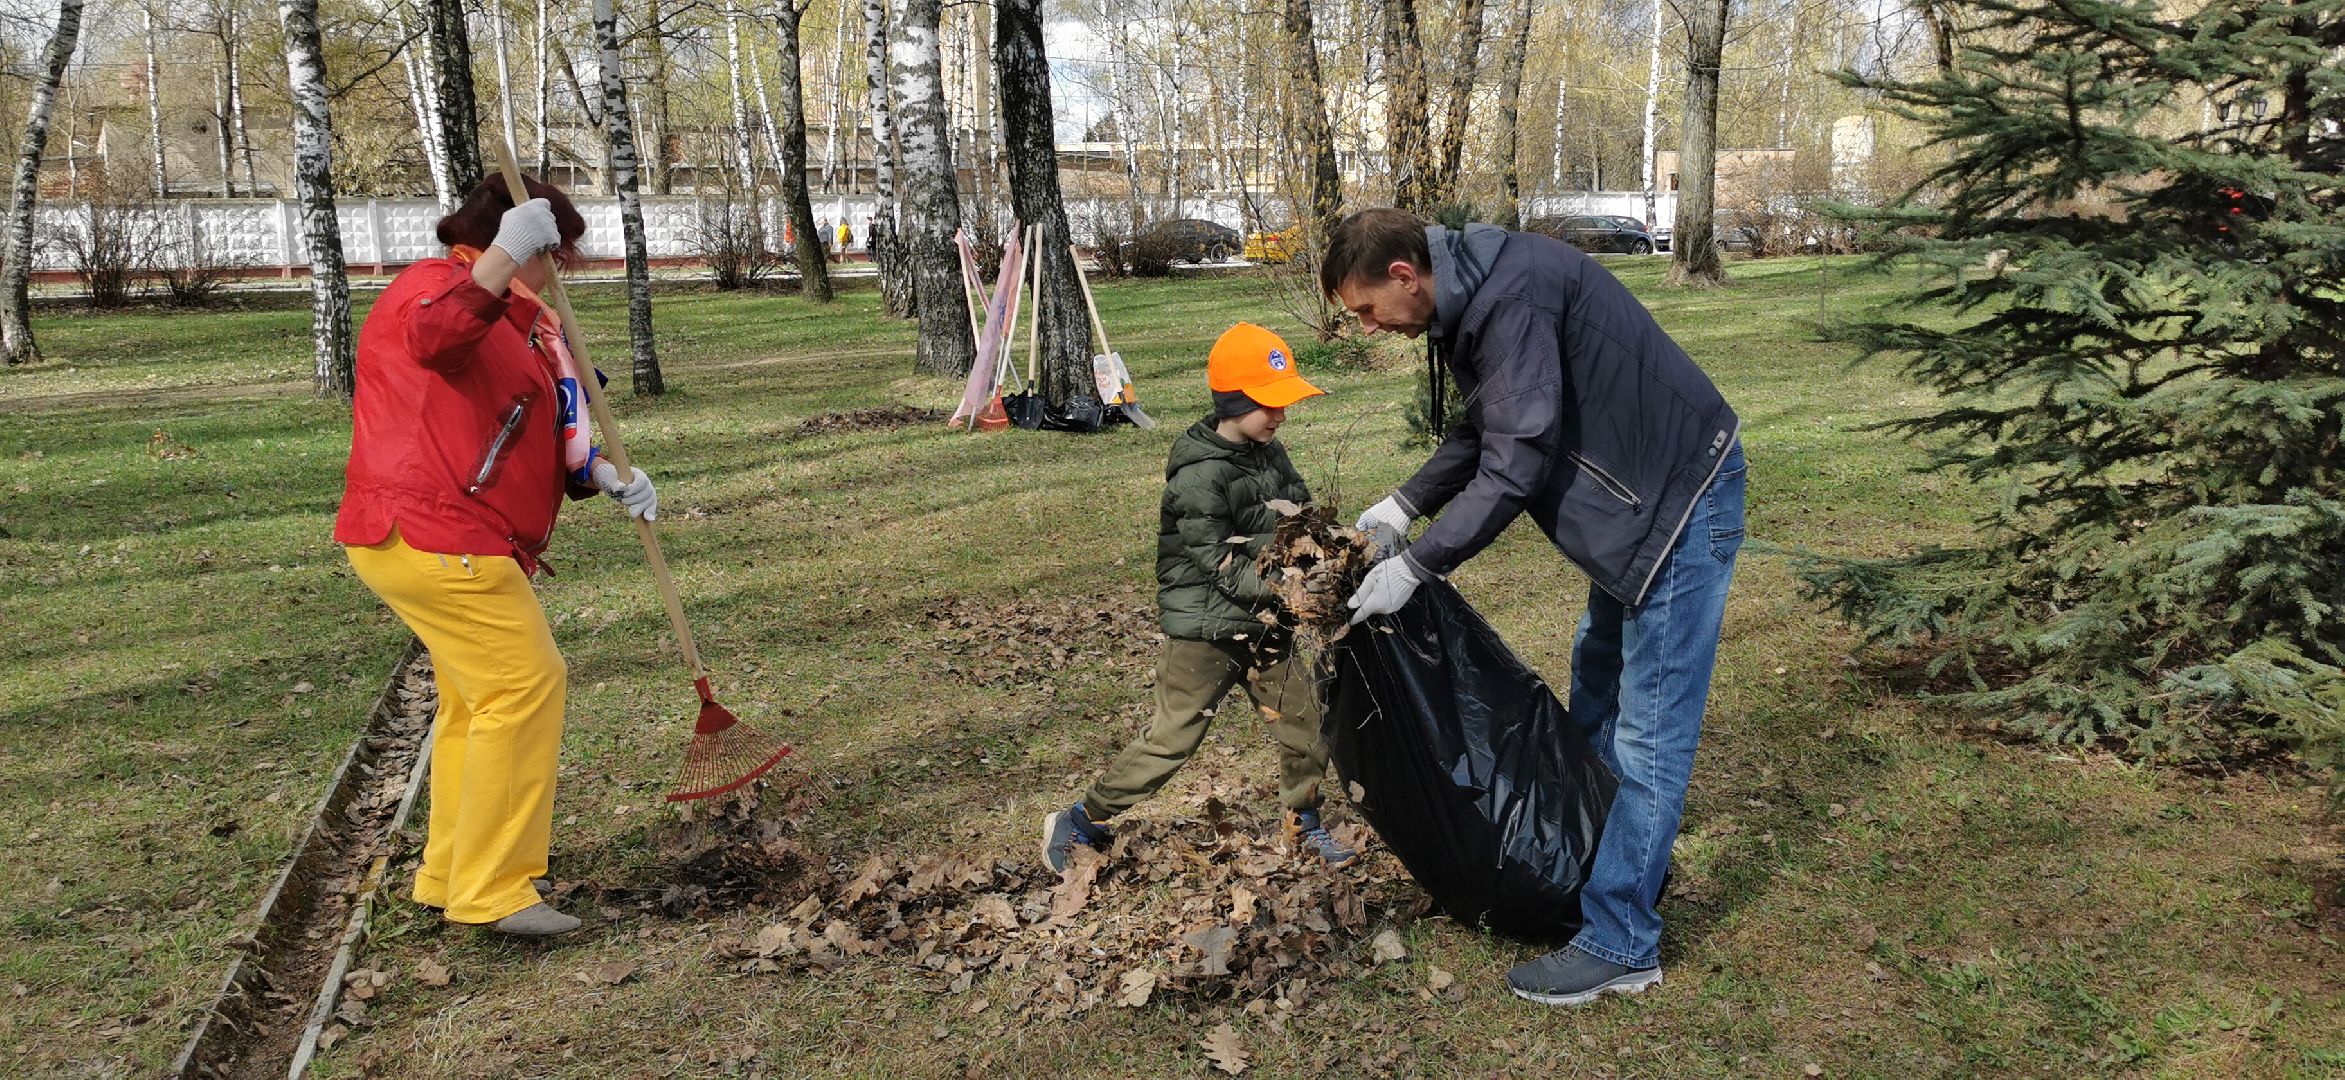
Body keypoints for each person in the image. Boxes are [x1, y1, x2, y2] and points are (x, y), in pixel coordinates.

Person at [1323, 208, 1745, 1006]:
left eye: (1367, 310)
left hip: (1678, 505)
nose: (1371, 327)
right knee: (1594, 689)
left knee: (1648, 733)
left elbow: (1515, 462)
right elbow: (1487, 424)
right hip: (1636, 512)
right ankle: (1581, 865)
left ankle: (1622, 939)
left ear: (1404, 276)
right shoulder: (1474, 298)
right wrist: (1400, 503)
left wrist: (1417, 564)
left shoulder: (1509, 295)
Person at [335, 175, 660, 937]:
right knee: (523, 685)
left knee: (477, 701)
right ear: (517, 241)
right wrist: (503, 259)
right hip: (434, 531)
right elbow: (437, 338)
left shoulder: (518, 322)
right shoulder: (434, 288)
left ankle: (449, 873)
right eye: (554, 252)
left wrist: (598, 474)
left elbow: (522, 422)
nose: (559, 270)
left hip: (445, 535)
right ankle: (494, 890)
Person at [1041, 323, 1357, 873]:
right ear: (1235, 403)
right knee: (1172, 739)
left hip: (1267, 624)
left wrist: (1326, 550)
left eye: (1285, 404)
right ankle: (1082, 819)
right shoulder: (1198, 476)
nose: (1281, 415)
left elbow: (1298, 512)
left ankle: (1303, 823)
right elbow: (1220, 564)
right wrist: (1291, 588)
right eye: (1271, 405)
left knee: (1306, 722)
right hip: (1205, 633)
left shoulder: (1269, 452)